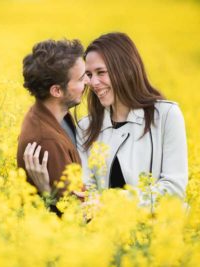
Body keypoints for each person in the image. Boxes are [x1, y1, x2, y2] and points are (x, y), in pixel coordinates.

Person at [25, 32, 188, 200]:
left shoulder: (166, 116)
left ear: (126, 70)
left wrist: (111, 203)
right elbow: (85, 193)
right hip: (105, 225)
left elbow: (174, 188)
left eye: (101, 72)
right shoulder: (85, 127)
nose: (93, 83)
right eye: (88, 74)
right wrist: (47, 192)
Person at [16, 39, 89, 202]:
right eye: (80, 79)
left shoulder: (50, 115)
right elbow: (76, 211)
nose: (88, 82)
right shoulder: (48, 143)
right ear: (57, 91)